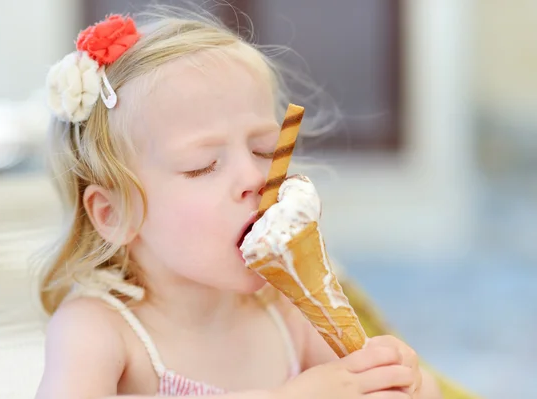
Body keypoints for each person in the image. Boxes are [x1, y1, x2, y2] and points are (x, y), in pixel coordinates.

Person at [35, 5, 443, 399]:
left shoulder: (285, 310)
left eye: (265, 150)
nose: (253, 178)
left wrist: (403, 381)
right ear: (115, 214)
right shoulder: (100, 328)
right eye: (203, 165)